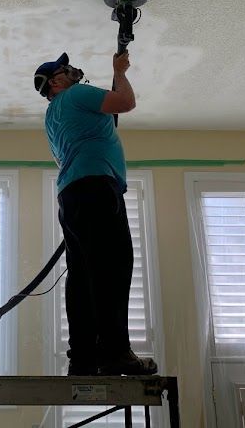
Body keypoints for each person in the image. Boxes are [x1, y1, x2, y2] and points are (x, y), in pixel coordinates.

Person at [34, 51, 159, 376]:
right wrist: (120, 71)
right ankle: (116, 352)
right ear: (57, 81)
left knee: (82, 277)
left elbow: (108, 113)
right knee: (112, 269)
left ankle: (84, 358)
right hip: (96, 189)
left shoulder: (52, 117)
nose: (73, 71)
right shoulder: (76, 94)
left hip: (72, 196)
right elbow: (125, 102)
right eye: (66, 69)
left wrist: (115, 78)